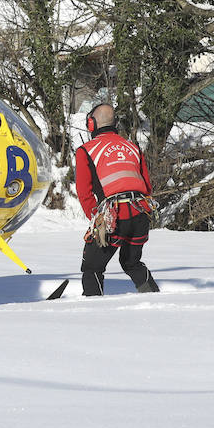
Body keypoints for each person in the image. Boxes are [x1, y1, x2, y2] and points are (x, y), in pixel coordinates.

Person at [73, 102, 159, 296]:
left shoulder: (86, 151)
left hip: (114, 217)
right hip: (140, 214)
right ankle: (153, 298)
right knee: (132, 262)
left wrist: (96, 219)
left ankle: (93, 311)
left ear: (91, 124)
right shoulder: (133, 147)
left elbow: (84, 192)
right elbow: (147, 187)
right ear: (116, 123)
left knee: (92, 267)